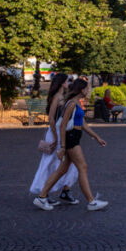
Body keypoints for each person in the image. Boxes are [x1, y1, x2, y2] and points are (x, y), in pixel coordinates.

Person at [33, 78, 108, 212]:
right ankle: (91, 201)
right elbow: (62, 125)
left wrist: (96, 137)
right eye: (87, 88)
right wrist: (62, 146)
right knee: (82, 167)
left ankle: (41, 197)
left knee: (62, 170)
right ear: (81, 89)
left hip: (74, 137)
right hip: (71, 138)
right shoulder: (72, 104)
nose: (88, 91)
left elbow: (82, 123)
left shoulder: (76, 103)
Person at [29, 73, 80, 206]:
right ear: (62, 83)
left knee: (67, 162)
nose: (68, 83)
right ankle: (44, 193)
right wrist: (56, 136)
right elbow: (51, 118)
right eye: (67, 81)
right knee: (50, 163)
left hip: (60, 131)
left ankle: (64, 189)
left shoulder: (62, 96)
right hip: (55, 132)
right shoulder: (57, 97)